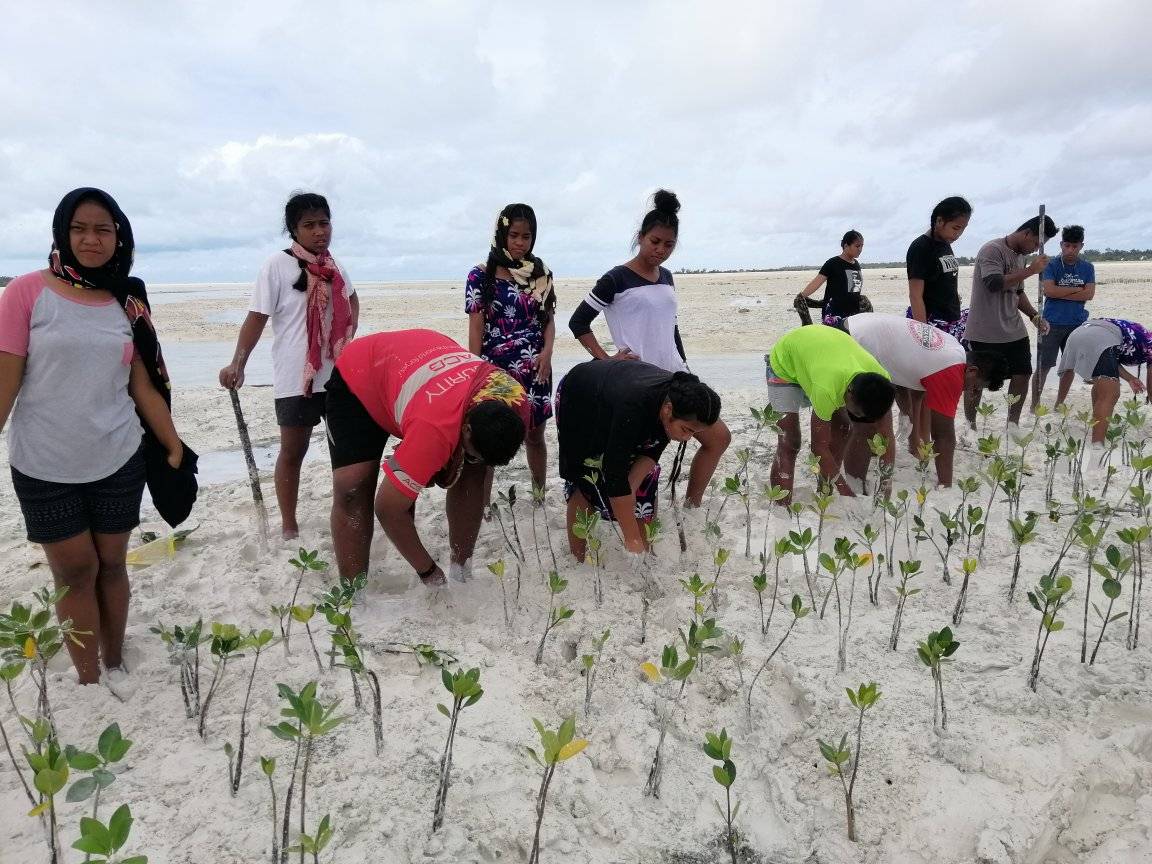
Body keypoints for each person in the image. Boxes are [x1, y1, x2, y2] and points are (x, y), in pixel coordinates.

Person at [0, 188, 184, 690]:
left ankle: (116, 660)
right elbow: (6, 378)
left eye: (103, 229)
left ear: (119, 235)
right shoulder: (25, 293)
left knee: (111, 565)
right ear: (62, 233)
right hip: (43, 461)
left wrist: (172, 442)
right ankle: (87, 679)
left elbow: (141, 382)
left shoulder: (125, 300)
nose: (90, 239)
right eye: (79, 228)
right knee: (75, 570)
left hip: (117, 455)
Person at [326, 329, 528, 586]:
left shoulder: (515, 400)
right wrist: (428, 572)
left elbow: (479, 460)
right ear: (464, 428)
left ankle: (461, 571)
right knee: (353, 488)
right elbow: (387, 508)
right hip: (361, 374)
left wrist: (472, 460)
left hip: (420, 365)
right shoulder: (435, 430)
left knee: (473, 471)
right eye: (470, 451)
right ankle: (353, 594)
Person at [568, 189, 731, 506]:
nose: (661, 250)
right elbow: (578, 323)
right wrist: (607, 361)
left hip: (676, 377)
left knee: (718, 438)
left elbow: (671, 327)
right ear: (640, 237)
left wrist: (686, 369)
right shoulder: (616, 279)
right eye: (655, 241)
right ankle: (619, 512)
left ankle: (691, 505)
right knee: (642, 462)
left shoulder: (667, 276)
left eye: (669, 245)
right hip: (640, 384)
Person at [219, 192, 358, 540]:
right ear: (293, 230)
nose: (319, 231)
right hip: (296, 376)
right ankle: (289, 524)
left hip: (336, 376)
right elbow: (256, 318)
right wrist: (238, 363)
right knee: (293, 451)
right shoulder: (276, 266)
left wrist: (347, 338)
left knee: (345, 452)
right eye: (309, 225)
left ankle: (344, 513)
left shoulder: (335, 265)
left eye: (324, 223)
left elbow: (352, 300)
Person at [555, 360, 721, 559]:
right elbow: (614, 475)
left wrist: (632, 488)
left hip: (621, 395)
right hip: (582, 397)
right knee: (587, 479)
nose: (687, 438)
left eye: (693, 433)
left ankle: (647, 553)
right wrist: (631, 539)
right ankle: (577, 557)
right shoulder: (634, 407)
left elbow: (653, 451)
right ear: (668, 410)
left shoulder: (675, 398)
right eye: (686, 430)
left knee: (645, 480)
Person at [465, 203, 555, 494]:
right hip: (496, 372)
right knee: (489, 437)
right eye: (514, 235)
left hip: (536, 367)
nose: (519, 243)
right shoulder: (480, 275)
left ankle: (539, 494)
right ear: (502, 234)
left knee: (535, 436)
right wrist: (474, 370)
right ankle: (483, 503)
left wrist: (548, 353)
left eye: (526, 236)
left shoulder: (539, 274)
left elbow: (549, 321)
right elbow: (476, 327)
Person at [764, 325, 896, 502]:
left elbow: (887, 438)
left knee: (842, 428)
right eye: (857, 413)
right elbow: (818, 448)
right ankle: (781, 506)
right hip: (785, 362)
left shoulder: (881, 381)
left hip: (823, 355)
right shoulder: (826, 389)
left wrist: (884, 491)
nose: (859, 418)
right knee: (789, 441)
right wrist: (847, 494)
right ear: (849, 392)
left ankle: (825, 492)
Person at [842, 314, 967, 486]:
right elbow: (943, 435)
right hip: (860, 341)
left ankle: (849, 471)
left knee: (869, 420)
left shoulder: (953, 347)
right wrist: (946, 483)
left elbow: (901, 369)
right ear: (974, 372)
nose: (973, 393)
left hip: (858, 324)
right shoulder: (950, 373)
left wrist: (906, 411)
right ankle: (855, 485)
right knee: (868, 422)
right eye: (977, 387)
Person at [964, 214, 1057, 429]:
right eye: (1035, 243)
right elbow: (994, 283)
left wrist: (1034, 316)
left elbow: (1018, 293)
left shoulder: (1020, 258)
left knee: (1023, 373)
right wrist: (1031, 271)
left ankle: (1012, 424)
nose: (1035, 249)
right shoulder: (992, 250)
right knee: (976, 380)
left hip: (1014, 330)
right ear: (1026, 234)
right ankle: (970, 426)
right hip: (984, 331)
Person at [1055, 319, 1152, 443]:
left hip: (1079, 333)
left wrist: (1130, 378)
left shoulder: (1143, 336)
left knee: (1102, 385)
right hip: (1101, 337)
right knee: (1110, 393)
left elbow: (1109, 359)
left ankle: (1098, 428)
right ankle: (1097, 446)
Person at [1031, 225, 1095, 410]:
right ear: (1061, 244)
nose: (1070, 250)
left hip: (1077, 323)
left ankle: (1060, 403)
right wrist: (1078, 290)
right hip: (1052, 322)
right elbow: (1049, 291)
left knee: (1069, 366)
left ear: (1081, 246)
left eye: (1074, 247)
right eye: (1067, 246)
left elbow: (1089, 294)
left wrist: (1061, 291)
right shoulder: (1051, 264)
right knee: (1044, 365)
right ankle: (1034, 405)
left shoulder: (1087, 267)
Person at [906, 196, 973, 342]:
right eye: (955, 228)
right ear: (939, 221)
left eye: (963, 229)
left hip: (951, 318)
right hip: (932, 323)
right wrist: (924, 337)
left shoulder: (945, 243)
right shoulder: (921, 247)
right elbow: (915, 296)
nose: (958, 234)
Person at [794, 230, 866, 328]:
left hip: (853, 315)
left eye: (862, 246)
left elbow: (854, 290)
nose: (860, 249)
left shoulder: (856, 265)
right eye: (857, 246)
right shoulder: (832, 263)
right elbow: (816, 283)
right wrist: (801, 297)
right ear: (846, 246)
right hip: (834, 315)